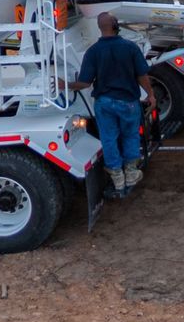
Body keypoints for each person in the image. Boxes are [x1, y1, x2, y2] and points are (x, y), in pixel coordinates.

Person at [65, 12, 152, 197]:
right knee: (130, 136)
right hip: (128, 103)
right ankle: (131, 172)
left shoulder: (94, 52)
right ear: (116, 25)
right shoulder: (130, 48)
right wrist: (151, 95)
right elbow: (142, 75)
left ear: (99, 27)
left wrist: (63, 85)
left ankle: (117, 179)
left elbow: (85, 83)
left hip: (104, 104)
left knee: (109, 138)